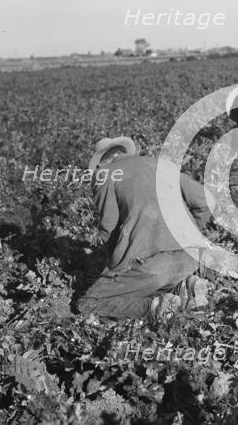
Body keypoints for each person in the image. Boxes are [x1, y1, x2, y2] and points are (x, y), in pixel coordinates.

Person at [77, 137, 212, 323]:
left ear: (101, 162)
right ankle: (186, 285)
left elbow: (108, 228)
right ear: (123, 152)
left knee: (88, 303)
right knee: (154, 280)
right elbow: (205, 201)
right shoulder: (160, 165)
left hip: (151, 264)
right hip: (191, 258)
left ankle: (156, 308)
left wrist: (115, 270)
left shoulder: (106, 174)